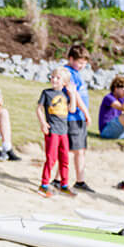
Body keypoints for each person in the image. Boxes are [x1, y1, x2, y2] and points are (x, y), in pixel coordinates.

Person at [36, 66, 77, 198]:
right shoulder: (46, 93)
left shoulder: (66, 94)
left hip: (63, 131)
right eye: (52, 76)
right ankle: (44, 185)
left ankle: (63, 185)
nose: (54, 79)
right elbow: (39, 109)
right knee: (51, 158)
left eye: (58, 78)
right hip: (52, 130)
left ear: (64, 82)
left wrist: (73, 94)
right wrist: (43, 122)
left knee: (64, 159)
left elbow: (72, 110)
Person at [63, 44, 94, 192]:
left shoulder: (76, 72)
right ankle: (58, 179)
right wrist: (86, 112)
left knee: (80, 150)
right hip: (72, 117)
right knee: (71, 150)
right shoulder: (67, 73)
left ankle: (80, 181)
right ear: (71, 59)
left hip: (79, 117)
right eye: (80, 62)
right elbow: (74, 94)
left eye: (84, 63)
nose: (82, 66)